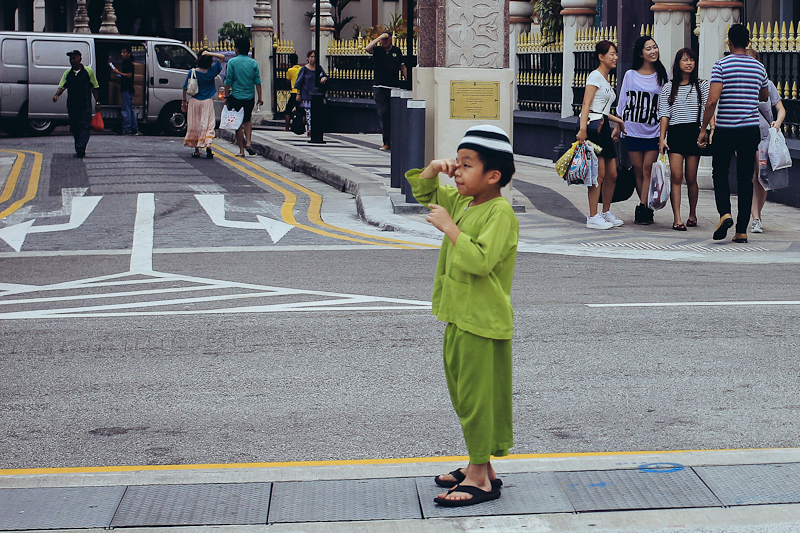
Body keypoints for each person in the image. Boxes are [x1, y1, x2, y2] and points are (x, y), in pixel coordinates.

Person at [405, 125, 518, 508]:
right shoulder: (465, 202)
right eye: (458, 162)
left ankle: (478, 475)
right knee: (464, 397)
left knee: (476, 399)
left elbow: (482, 260)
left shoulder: (499, 212)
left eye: (467, 165)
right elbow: (424, 194)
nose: (458, 172)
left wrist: (450, 228)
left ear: (493, 176)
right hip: (460, 316)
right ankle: (483, 468)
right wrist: (431, 171)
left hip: (482, 322)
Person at [698, 24, 769, 243]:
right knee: (745, 179)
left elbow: (712, 100)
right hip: (749, 130)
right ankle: (741, 230)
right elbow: (764, 96)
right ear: (748, 43)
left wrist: (704, 129)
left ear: (728, 42)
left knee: (719, 172)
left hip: (726, 130)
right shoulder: (758, 68)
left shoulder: (721, 65)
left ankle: (725, 213)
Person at [617, 35, 669, 225]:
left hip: (654, 130)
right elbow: (622, 102)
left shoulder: (663, 76)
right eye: (648, 48)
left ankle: (643, 206)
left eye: (655, 47)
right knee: (638, 170)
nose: (653, 51)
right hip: (632, 129)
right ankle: (644, 205)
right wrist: (618, 126)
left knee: (648, 168)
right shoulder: (630, 75)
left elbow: (667, 105)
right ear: (641, 53)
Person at [658, 48, 710, 231]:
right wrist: (661, 138)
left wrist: (708, 129)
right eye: (685, 60)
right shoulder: (668, 88)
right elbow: (664, 114)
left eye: (692, 60)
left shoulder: (702, 86)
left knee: (691, 177)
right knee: (676, 177)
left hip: (694, 133)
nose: (689, 63)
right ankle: (677, 218)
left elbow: (707, 109)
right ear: (677, 63)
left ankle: (692, 214)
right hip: (675, 134)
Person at [576, 40, 625, 230]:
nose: (615, 57)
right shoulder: (594, 76)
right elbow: (586, 105)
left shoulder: (605, 79)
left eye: (616, 54)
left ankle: (605, 212)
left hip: (603, 127)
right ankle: (592, 216)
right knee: (599, 174)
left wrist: (618, 121)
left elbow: (602, 110)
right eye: (611, 54)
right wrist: (582, 129)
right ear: (601, 57)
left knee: (612, 174)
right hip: (593, 129)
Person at [745, 48, 786, 234]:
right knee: (753, 177)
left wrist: (777, 123)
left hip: (765, 138)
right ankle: (755, 218)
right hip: (747, 135)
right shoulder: (740, 86)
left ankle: (757, 215)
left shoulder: (767, 85)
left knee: (762, 178)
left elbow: (781, 109)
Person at [53, 50, 101, 158]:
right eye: (71, 59)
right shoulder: (68, 73)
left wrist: (97, 102)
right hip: (72, 105)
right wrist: (57, 95)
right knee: (75, 127)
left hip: (85, 105)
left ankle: (81, 148)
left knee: (84, 126)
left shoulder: (88, 72)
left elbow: (95, 87)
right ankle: (78, 147)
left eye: (74, 58)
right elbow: (62, 86)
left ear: (80, 59)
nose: (72, 61)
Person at [365, 31, 407, 151]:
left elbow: (402, 66)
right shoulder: (378, 50)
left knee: (394, 115)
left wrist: (407, 80)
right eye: (383, 40)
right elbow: (368, 48)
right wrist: (379, 38)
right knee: (383, 113)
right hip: (380, 87)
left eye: (386, 39)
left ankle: (396, 140)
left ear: (391, 40)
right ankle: (386, 141)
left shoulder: (396, 51)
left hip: (393, 87)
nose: (384, 41)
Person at [224, 37, 264, 157]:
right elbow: (258, 82)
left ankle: (241, 150)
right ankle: (248, 142)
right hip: (249, 97)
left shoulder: (232, 62)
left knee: (237, 124)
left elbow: (228, 81)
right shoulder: (253, 63)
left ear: (237, 49)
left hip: (236, 96)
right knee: (247, 120)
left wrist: (226, 96)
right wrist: (260, 97)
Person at [182, 50, 224, 159]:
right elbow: (222, 57)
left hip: (194, 101)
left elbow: (185, 87)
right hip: (207, 102)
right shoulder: (211, 72)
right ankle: (208, 144)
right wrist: (210, 54)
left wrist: (183, 101)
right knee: (208, 123)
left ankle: (197, 150)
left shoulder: (193, 72)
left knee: (195, 124)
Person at [294, 50, 328, 136]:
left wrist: (324, 79)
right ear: (308, 58)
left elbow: (325, 76)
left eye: (314, 57)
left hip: (317, 95)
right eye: (311, 57)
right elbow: (299, 82)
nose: (313, 59)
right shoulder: (304, 69)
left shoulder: (318, 68)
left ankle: (315, 130)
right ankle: (309, 130)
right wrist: (298, 94)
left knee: (316, 114)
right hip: (306, 95)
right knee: (308, 114)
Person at [111, 46, 139, 135]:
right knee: (130, 109)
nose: (122, 54)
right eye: (121, 52)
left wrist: (118, 72)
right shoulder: (125, 62)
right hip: (127, 88)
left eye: (124, 52)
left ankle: (127, 129)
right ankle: (134, 128)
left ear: (129, 53)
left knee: (126, 110)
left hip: (127, 89)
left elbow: (129, 75)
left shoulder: (129, 63)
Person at [284, 53, 301, 132]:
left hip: (294, 92)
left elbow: (287, 81)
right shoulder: (301, 69)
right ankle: (301, 126)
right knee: (301, 110)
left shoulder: (290, 70)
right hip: (301, 92)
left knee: (288, 110)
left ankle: (287, 127)